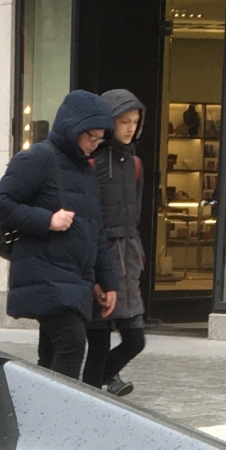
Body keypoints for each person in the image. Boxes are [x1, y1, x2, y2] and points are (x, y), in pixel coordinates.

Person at [0, 88, 119, 378]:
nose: (94, 145)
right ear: (72, 128)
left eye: (100, 139)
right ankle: (61, 413)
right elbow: (4, 204)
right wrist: (48, 220)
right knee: (72, 344)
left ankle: (39, 410)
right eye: (90, 137)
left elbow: (96, 229)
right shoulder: (38, 158)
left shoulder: (86, 172)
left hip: (74, 277)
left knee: (52, 352)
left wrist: (106, 281)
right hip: (44, 272)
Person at [85, 89, 148, 394]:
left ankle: (100, 380)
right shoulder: (92, 163)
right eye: (124, 120)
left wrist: (137, 252)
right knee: (98, 340)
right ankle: (95, 387)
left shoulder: (135, 165)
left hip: (128, 256)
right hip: (100, 257)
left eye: (135, 121)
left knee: (135, 338)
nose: (130, 127)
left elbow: (134, 213)